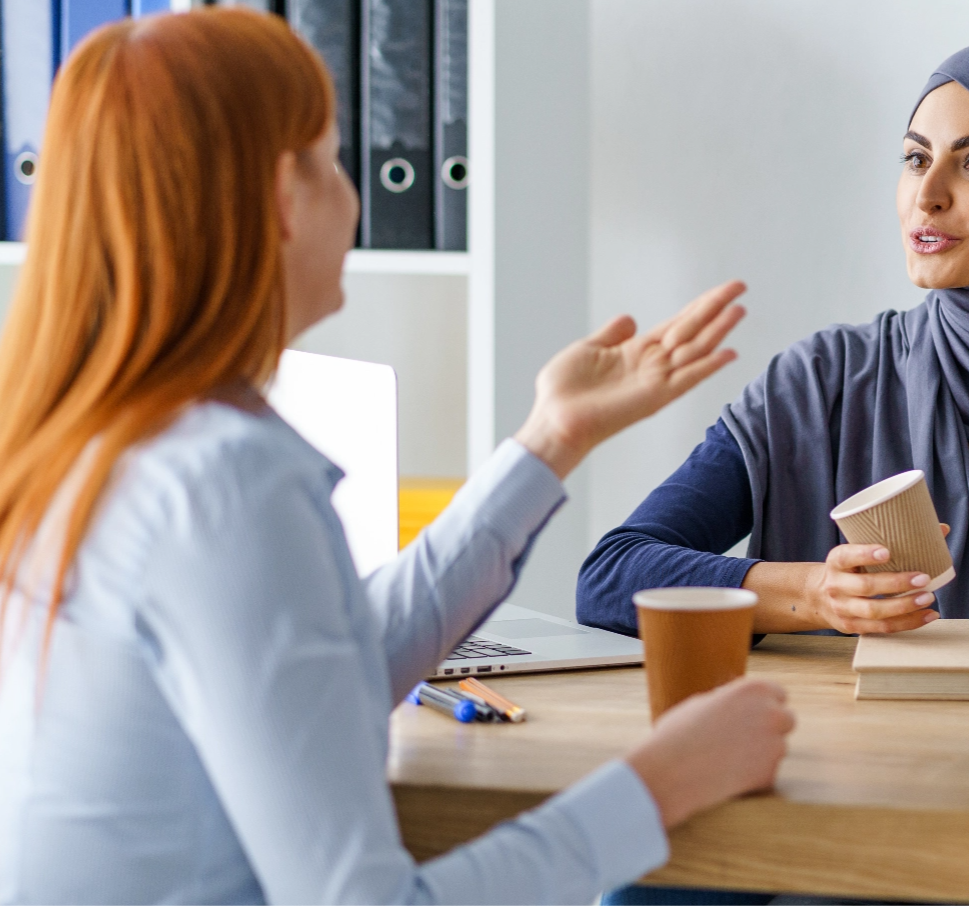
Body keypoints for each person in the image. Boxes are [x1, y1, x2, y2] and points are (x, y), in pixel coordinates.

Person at [0, 10, 796, 905]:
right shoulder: (225, 487)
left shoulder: (103, 443)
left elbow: (320, 677)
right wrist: (657, 786)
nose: (354, 194)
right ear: (283, 197)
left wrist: (552, 437)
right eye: (334, 158)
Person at [583, 36, 969, 906]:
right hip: (831, 783)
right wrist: (812, 593)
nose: (928, 193)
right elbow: (612, 573)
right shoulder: (826, 381)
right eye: (915, 159)